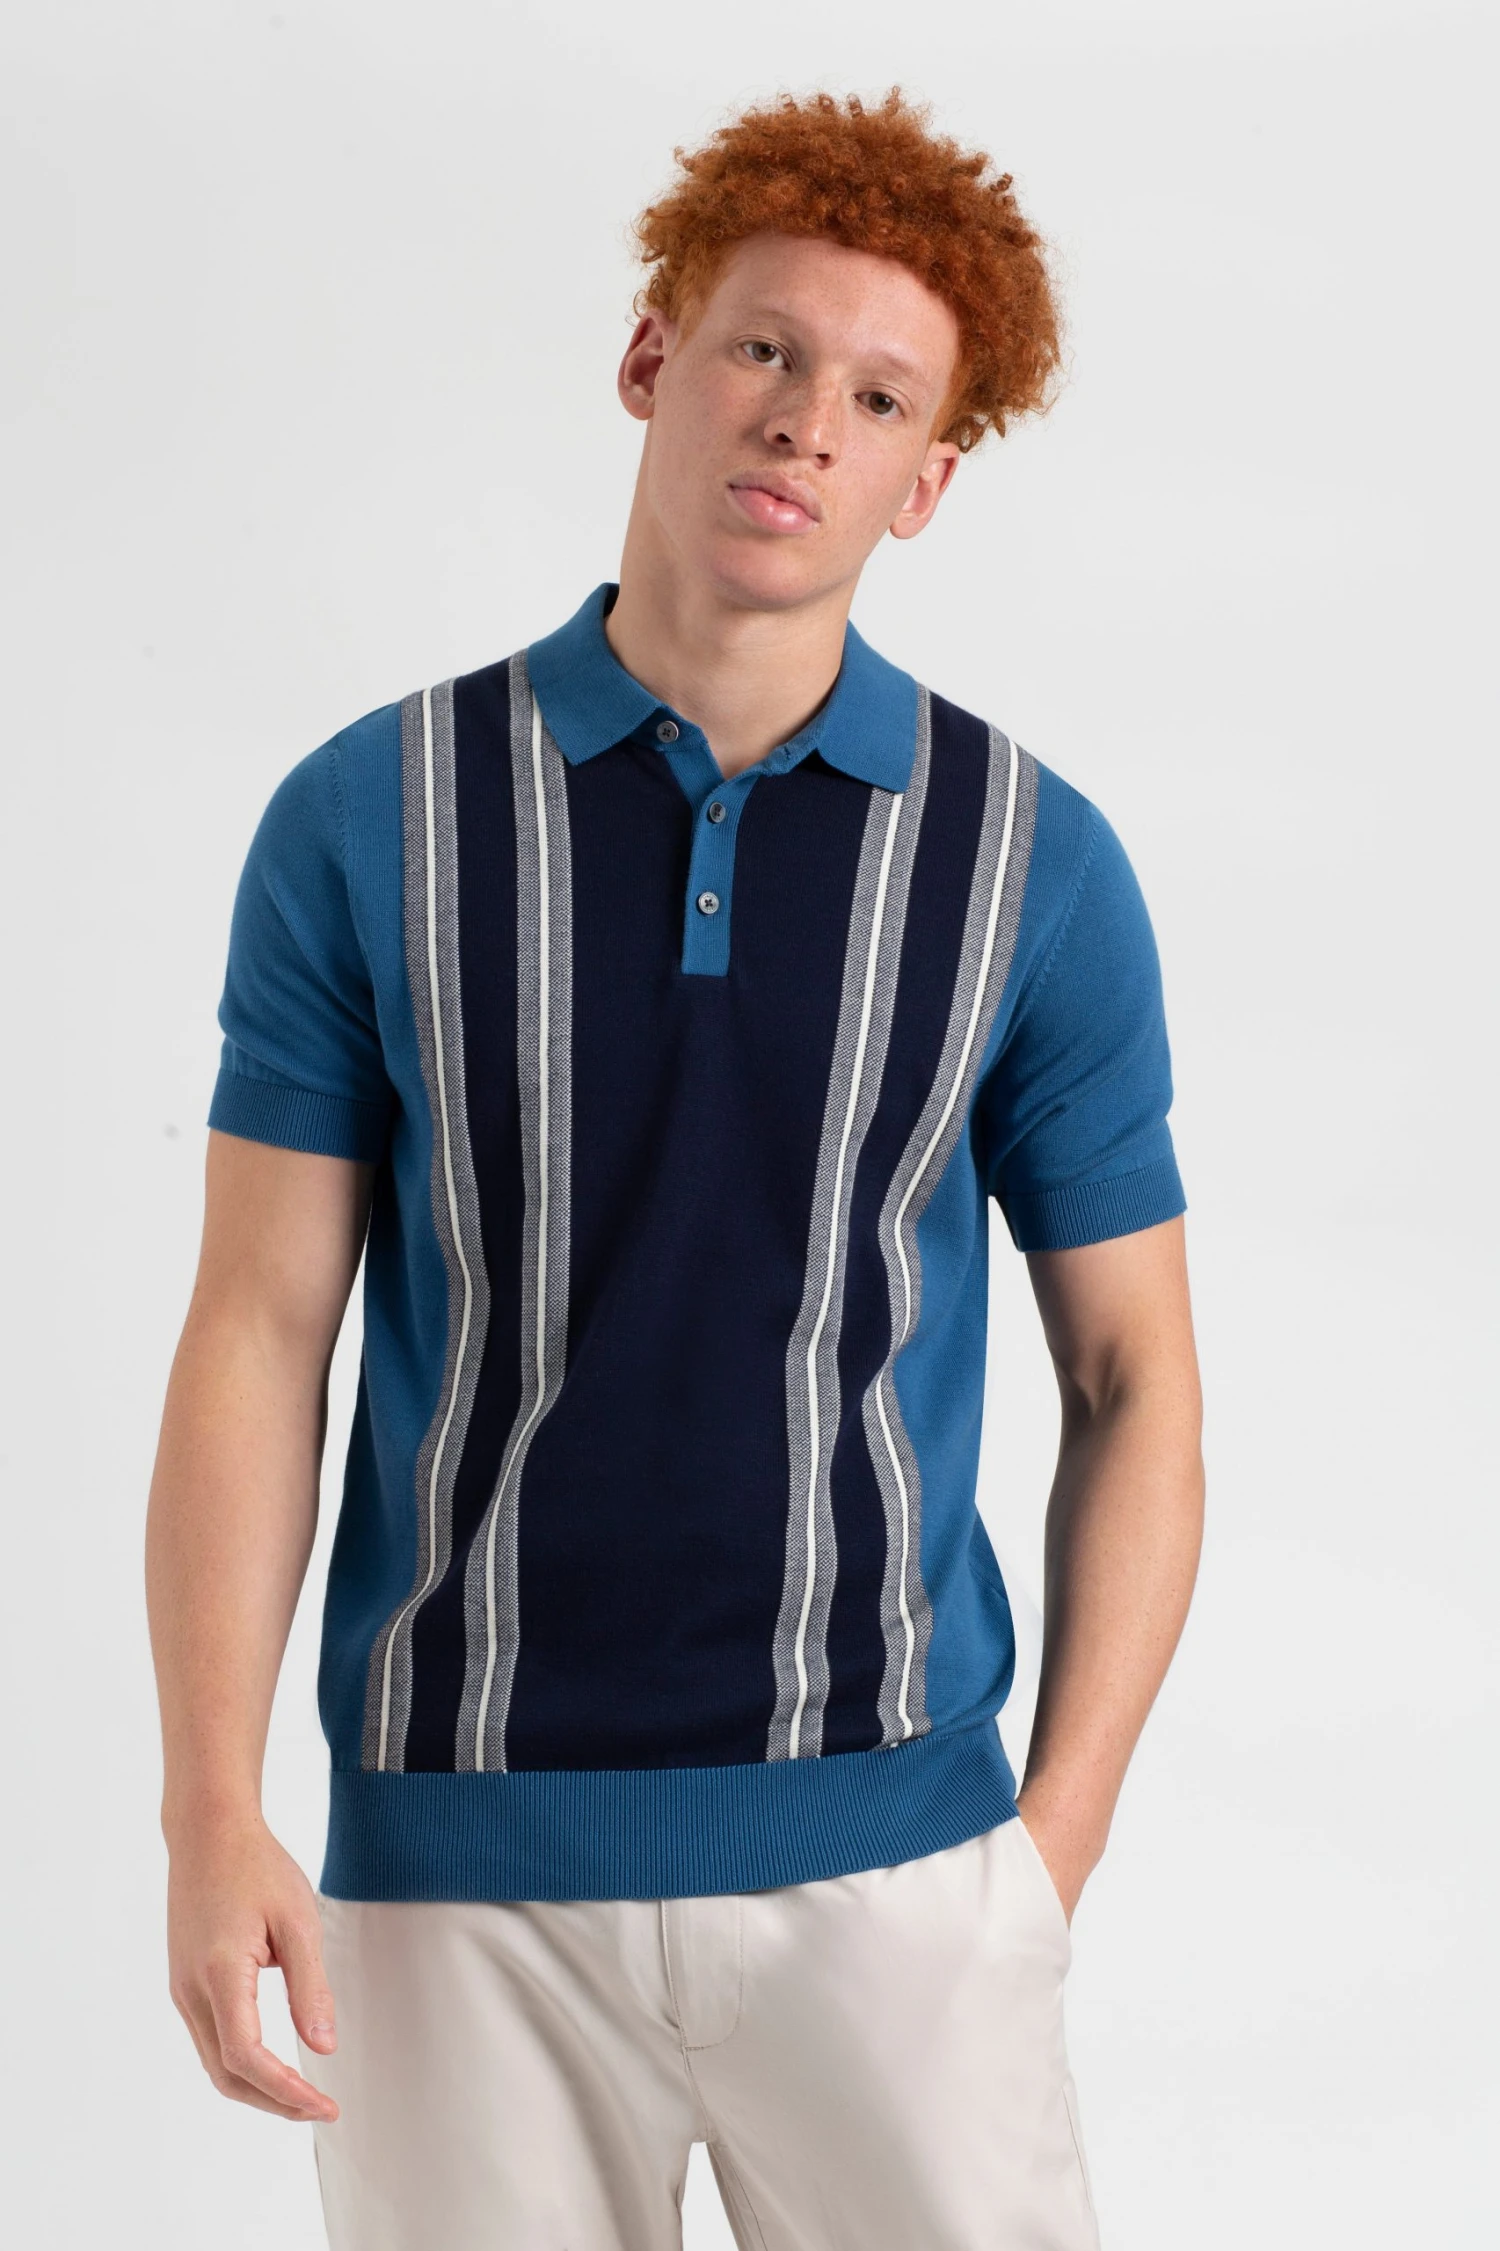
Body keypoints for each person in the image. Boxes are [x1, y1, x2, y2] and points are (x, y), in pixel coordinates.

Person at [146, 87, 1205, 2250]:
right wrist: (205, 1807)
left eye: (880, 396)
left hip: (893, 1873)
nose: (806, 420)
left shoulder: (1032, 865)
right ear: (653, 358)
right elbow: (258, 1328)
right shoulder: (371, 817)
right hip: (458, 1881)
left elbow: (1139, 1383)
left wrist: (1050, 1851)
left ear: (930, 478)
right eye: (765, 349)